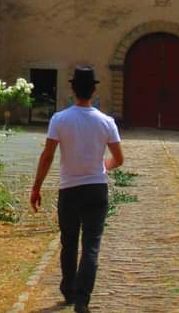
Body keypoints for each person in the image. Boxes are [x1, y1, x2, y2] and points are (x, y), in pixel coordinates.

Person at [29, 66, 123, 313]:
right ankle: (82, 299)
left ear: (72, 89)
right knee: (91, 245)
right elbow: (118, 159)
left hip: (69, 188)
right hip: (96, 189)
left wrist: (36, 187)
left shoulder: (60, 119)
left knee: (69, 242)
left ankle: (69, 290)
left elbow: (48, 155)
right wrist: (104, 166)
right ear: (94, 90)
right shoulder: (106, 122)